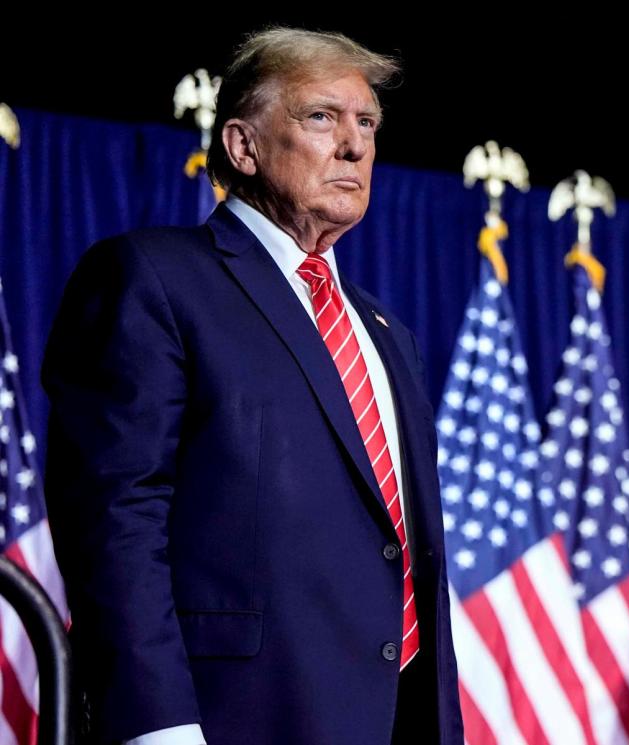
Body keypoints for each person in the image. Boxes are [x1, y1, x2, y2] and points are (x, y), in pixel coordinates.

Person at [41, 27, 462, 744]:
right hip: (230, 720)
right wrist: (160, 726)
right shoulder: (154, 278)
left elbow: (398, 551)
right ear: (243, 146)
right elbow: (116, 519)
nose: (355, 145)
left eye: (367, 123)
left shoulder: (388, 333)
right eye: (322, 117)